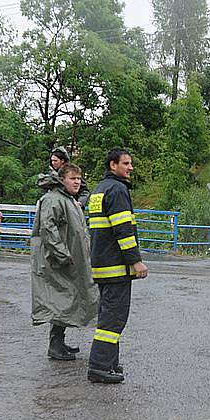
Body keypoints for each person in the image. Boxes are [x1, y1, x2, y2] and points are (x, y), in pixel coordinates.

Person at [87, 148, 148, 384]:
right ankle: (99, 367)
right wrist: (136, 261)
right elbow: (123, 230)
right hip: (116, 266)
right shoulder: (118, 190)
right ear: (113, 165)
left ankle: (110, 363)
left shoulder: (99, 190)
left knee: (108, 315)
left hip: (102, 264)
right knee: (113, 319)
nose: (130, 167)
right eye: (126, 163)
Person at [31, 164, 98, 361]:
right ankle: (55, 345)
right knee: (60, 300)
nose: (77, 182)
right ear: (62, 180)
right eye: (72, 178)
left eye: (79, 178)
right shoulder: (53, 199)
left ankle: (59, 342)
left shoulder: (68, 200)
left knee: (66, 300)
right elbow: (48, 229)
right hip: (58, 261)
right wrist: (62, 254)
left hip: (69, 259)